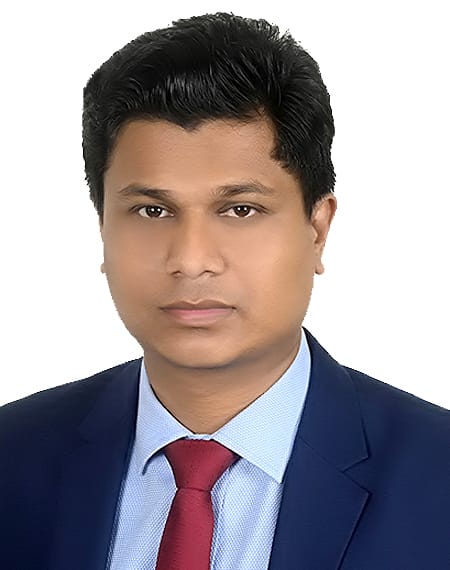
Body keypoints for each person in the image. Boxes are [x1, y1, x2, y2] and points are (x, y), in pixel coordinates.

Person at [1, 11, 448, 570]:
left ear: (317, 229)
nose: (191, 261)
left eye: (240, 210)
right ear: (103, 228)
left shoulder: (437, 475)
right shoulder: (13, 456)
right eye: (152, 210)